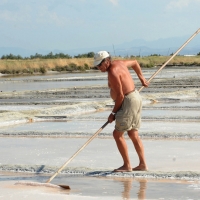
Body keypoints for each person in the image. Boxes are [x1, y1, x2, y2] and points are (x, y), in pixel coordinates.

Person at [94, 51, 149, 172]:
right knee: (133, 134)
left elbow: (120, 96)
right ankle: (142, 164)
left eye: (100, 65)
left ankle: (127, 165)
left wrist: (113, 114)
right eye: (97, 66)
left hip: (128, 101)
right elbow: (134, 62)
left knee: (117, 134)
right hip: (135, 97)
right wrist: (142, 78)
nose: (98, 68)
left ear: (107, 61)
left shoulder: (113, 72)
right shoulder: (120, 63)